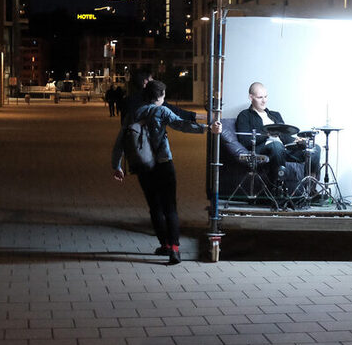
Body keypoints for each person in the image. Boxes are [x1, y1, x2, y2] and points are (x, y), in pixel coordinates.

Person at [111, 80, 221, 265]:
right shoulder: (161, 111)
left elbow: (121, 140)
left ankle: (164, 245)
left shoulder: (133, 113)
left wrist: (117, 165)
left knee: (155, 207)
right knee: (170, 207)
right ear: (159, 97)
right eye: (163, 96)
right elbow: (181, 124)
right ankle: (175, 250)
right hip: (164, 164)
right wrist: (208, 129)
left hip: (144, 166)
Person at [235, 82, 320, 186]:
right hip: (263, 149)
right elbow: (245, 141)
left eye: (265, 97)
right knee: (276, 145)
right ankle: (279, 189)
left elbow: (285, 136)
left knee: (314, 148)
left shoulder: (275, 115)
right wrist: (268, 134)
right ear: (251, 97)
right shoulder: (245, 115)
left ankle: (309, 189)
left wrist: (296, 141)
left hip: (283, 149)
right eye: (260, 97)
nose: (264, 101)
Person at [120, 68, 197, 124]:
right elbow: (174, 112)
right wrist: (196, 116)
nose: (153, 80)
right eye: (151, 78)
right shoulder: (152, 98)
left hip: (130, 141)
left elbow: (124, 123)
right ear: (145, 81)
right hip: (147, 142)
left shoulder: (127, 100)